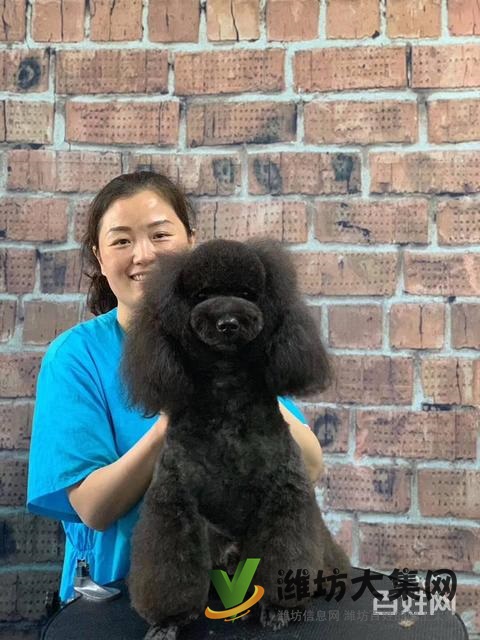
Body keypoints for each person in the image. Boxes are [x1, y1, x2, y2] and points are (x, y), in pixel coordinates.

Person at [26, 172, 325, 604]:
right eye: (121, 240)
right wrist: (177, 418)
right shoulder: (74, 358)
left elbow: (310, 466)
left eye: (160, 235)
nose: (143, 255)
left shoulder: (234, 341)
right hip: (116, 593)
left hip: (234, 590)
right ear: (99, 257)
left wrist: (250, 395)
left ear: (190, 244)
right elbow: (93, 509)